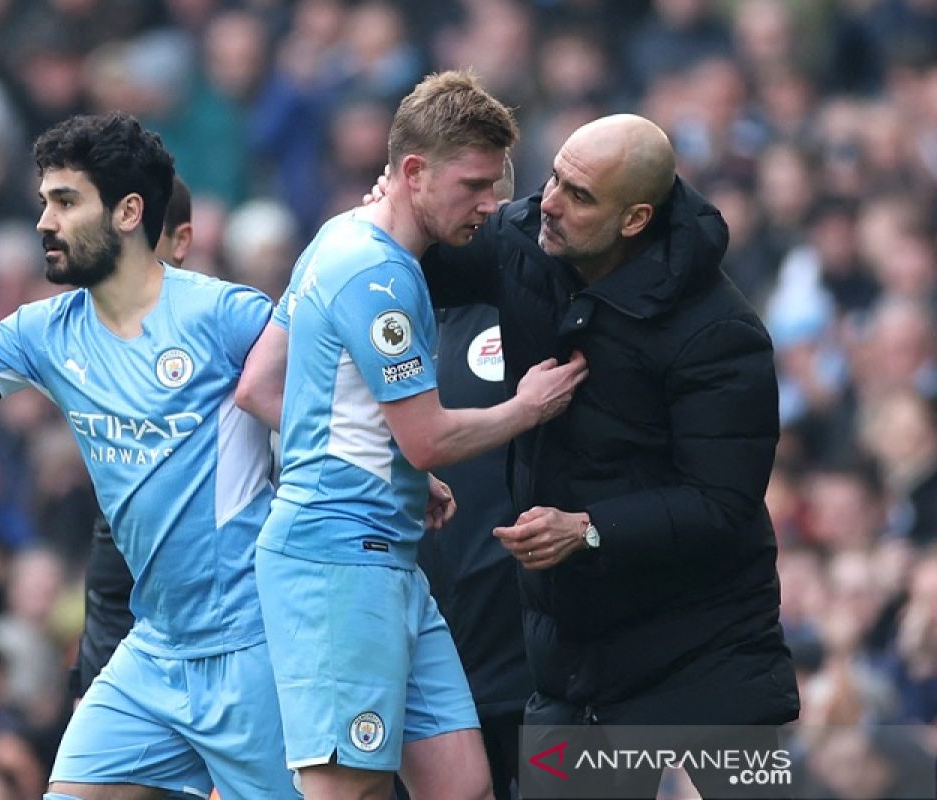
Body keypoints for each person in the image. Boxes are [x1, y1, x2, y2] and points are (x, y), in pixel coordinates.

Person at [0, 112, 295, 800]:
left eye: (65, 201)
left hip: (251, 645)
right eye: (44, 201)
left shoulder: (227, 314)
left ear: (128, 212)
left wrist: (398, 478)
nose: (44, 220)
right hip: (153, 648)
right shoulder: (44, 332)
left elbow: (334, 403)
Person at [419, 114, 799, 797]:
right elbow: (413, 264)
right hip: (574, 664)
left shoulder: (722, 334)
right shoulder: (524, 239)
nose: (552, 203)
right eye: (555, 177)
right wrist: (396, 211)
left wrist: (587, 528)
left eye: (581, 194)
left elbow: (723, 503)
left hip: (710, 657)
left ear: (635, 219)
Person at [236, 71, 588, 800]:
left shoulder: (338, 234)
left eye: (495, 185)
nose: (490, 205)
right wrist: (527, 406)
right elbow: (427, 437)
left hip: (388, 559)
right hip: (336, 564)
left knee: (463, 789)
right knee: (348, 789)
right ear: (414, 172)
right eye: (474, 185)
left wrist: (387, 469)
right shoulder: (379, 277)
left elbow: (262, 386)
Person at [413, 155, 529, 800]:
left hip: (532, 646)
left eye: (486, 195)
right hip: (425, 645)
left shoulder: (533, 312)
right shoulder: (390, 322)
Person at [66, 174, 193, 702]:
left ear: (179, 242)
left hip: (214, 621)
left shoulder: (233, 329)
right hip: (115, 599)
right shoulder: (73, 328)